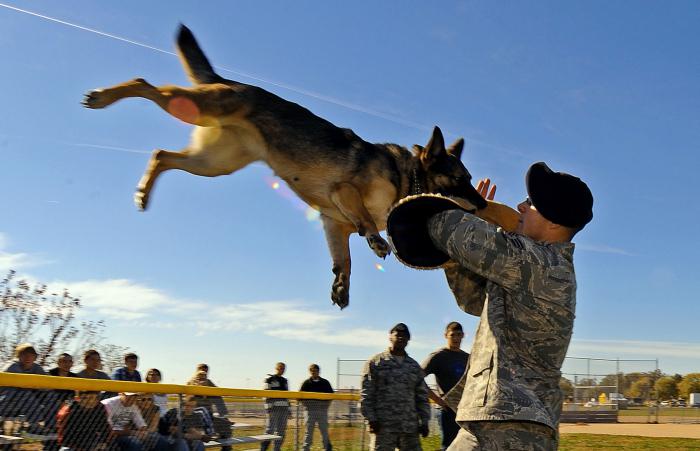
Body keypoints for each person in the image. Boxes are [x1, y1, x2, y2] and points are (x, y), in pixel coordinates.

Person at [425, 162, 594, 449]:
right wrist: (469, 228)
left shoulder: (537, 262)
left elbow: (444, 227)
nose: (521, 206)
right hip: (502, 424)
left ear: (553, 222)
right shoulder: (532, 266)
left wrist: (459, 206)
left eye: (531, 203)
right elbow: (473, 300)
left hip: (508, 427)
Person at [361, 323, 430, 451]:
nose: (401, 338)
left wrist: (424, 421)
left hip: (409, 427)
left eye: (405, 336)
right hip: (383, 427)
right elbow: (367, 394)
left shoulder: (414, 366)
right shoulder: (376, 363)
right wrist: (371, 419)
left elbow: (422, 397)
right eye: (397, 335)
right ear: (390, 337)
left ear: (408, 340)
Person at [421, 322, 469, 450]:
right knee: (448, 446)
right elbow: (418, 378)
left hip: (464, 410)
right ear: (446, 335)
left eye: (459, 335)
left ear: (463, 336)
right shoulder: (438, 356)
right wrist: (438, 400)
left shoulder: (467, 358)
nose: (456, 338)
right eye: (452, 335)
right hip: (446, 410)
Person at [185, 364, 232, 451]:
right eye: (201, 371)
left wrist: (224, 415)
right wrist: (198, 388)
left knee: (225, 425)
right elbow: (187, 401)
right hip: (194, 416)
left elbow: (218, 396)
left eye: (206, 372)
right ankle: (208, 435)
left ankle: (226, 447)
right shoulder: (190, 382)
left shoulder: (209, 383)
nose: (203, 373)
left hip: (208, 416)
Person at [0, 343, 48, 427]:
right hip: (4, 403)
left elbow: (47, 385)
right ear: (18, 356)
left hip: (23, 406)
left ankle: (52, 427)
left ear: (35, 358)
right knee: (24, 392)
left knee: (51, 395)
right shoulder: (13, 366)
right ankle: (34, 427)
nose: (28, 358)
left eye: (31, 355)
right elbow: (23, 385)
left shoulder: (36, 368)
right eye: (24, 355)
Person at [299, 364, 334, 451]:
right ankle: (306, 449)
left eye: (315, 371)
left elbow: (331, 396)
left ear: (319, 371)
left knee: (324, 431)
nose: (314, 372)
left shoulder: (325, 382)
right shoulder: (306, 383)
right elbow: (299, 397)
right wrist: (307, 406)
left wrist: (325, 406)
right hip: (310, 411)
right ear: (310, 372)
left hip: (322, 411)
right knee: (309, 432)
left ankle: (327, 448)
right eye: (312, 371)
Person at [260, 362, 290, 451]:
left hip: (283, 410)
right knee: (270, 430)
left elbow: (287, 396)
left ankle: (277, 449)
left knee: (281, 431)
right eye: (280, 368)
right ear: (276, 368)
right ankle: (263, 448)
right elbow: (265, 395)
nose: (282, 370)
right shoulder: (269, 379)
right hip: (273, 409)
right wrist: (268, 408)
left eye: (283, 368)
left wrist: (289, 410)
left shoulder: (285, 381)